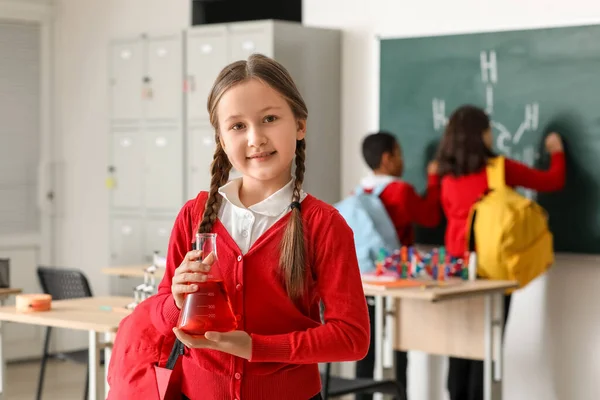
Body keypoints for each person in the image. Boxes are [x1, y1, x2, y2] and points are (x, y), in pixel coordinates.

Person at [148, 54, 370, 400]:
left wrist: (256, 347)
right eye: (237, 126)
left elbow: (351, 338)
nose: (255, 138)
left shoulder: (324, 224)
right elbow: (161, 318)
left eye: (269, 118)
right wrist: (176, 301)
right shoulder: (194, 215)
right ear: (221, 139)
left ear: (299, 125)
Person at [436, 104, 566, 400]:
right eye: (488, 130)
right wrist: (557, 151)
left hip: (455, 273)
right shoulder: (498, 169)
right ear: (480, 135)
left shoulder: (445, 175)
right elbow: (552, 181)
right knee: (486, 352)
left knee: (457, 352)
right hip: (491, 273)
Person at [356, 131, 441, 400]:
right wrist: (434, 179)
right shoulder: (401, 191)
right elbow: (431, 216)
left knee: (365, 354)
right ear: (387, 158)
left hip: (365, 281)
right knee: (398, 352)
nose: (403, 160)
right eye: (399, 153)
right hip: (396, 283)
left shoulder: (359, 191)